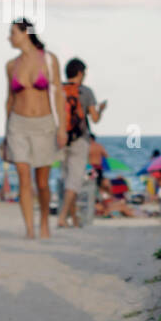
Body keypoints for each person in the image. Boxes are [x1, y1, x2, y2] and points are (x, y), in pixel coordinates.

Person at [4, 18, 64, 238]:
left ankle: (44, 222)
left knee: (42, 183)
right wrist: (5, 133)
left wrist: (62, 128)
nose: (9, 38)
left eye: (13, 33)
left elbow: (58, 95)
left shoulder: (49, 60)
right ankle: (29, 228)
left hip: (44, 124)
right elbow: (9, 99)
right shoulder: (11, 65)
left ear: (25, 33)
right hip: (17, 125)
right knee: (23, 177)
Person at [56, 57, 106, 228]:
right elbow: (95, 119)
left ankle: (74, 218)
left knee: (66, 179)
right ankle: (63, 217)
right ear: (80, 73)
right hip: (80, 139)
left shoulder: (59, 90)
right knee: (75, 180)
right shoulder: (86, 92)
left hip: (61, 138)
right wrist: (101, 110)